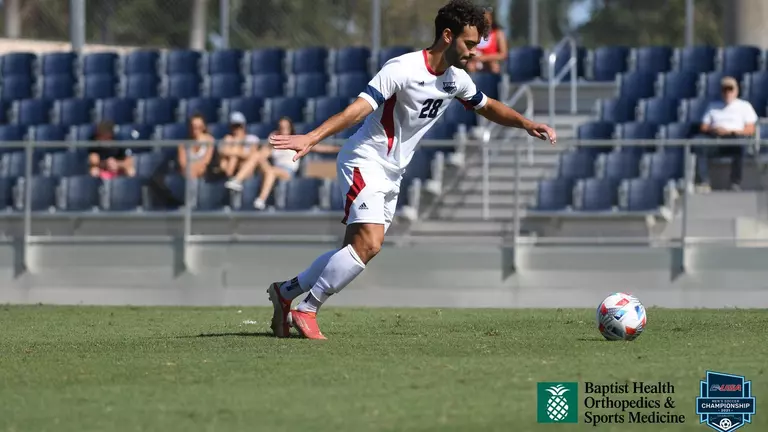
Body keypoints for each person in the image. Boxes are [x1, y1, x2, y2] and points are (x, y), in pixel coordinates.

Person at [266, 0, 556, 340]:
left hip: (393, 173)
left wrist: (526, 124)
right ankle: (308, 308)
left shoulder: (456, 80)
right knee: (370, 245)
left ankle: (285, 292)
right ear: (448, 36)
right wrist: (312, 138)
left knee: (353, 250)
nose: (475, 52)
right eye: (470, 44)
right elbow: (359, 108)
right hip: (365, 160)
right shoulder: (401, 68)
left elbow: (487, 106)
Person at [695, 76, 758, 192]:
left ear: (736, 90)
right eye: (725, 90)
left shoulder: (744, 106)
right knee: (699, 142)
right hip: (715, 139)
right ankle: (703, 181)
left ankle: (735, 182)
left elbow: (750, 129)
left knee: (740, 145)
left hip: (734, 138)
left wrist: (730, 131)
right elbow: (704, 126)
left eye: (730, 89)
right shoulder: (713, 106)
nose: (728, 93)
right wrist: (715, 130)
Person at [177, 113, 224, 181]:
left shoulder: (209, 140)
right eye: (193, 127)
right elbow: (183, 163)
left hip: (204, 172)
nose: (195, 130)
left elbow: (206, 161)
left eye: (199, 127)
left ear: (203, 127)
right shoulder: (183, 144)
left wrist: (195, 169)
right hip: (188, 173)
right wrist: (191, 170)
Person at [219, 111, 260, 180]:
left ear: (243, 126)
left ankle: (234, 180)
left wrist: (236, 151)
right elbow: (223, 151)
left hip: (246, 166)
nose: (237, 129)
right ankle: (231, 179)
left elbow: (253, 155)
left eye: (239, 126)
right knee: (228, 160)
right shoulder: (228, 138)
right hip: (231, 165)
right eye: (234, 126)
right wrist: (237, 149)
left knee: (236, 156)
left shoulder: (252, 138)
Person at [466, 8, 507, 74]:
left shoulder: (498, 33)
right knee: (470, 66)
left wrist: (484, 58)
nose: (485, 22)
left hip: (491, 63)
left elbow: (503, 54)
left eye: (488, 19)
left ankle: (493, 83)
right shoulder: (473, 33)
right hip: (476, 62)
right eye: (483, 20)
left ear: (491, 20)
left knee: (494, 66)